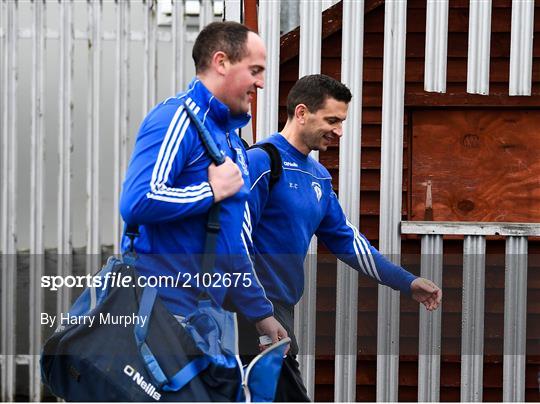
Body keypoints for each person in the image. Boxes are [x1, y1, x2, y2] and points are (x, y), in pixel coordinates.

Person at [239, 74, 443, 401]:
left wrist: (407, 282)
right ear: (302, 112)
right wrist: (259, 313)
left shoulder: (318, 176)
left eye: (342, 121)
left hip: (279, 317)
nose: (339, 131)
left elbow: (348, 242)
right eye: (332, 120)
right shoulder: (261, 162)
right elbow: (234, 242)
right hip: (248, 316)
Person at [119, 21, 288, 363]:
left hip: (206, 321)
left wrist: (260, 313)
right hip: (159, 318)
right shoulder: (175, 119)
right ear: (221, 62)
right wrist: (210, 190)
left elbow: (231, 240)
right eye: (254, 70)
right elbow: (137, 201)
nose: (262, 82)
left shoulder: (231, 141)